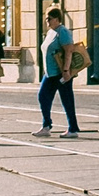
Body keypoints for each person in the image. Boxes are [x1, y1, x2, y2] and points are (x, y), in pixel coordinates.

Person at [34, 8, 82, 137]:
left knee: (67, 100)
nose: (47, 21)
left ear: (56, 19)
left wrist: (66, 70)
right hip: (49, 73)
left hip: (61, 72)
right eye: (46, 19)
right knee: (43, 96)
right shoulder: (51, 32)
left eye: (49, 18)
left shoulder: (63, 32)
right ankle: (46, 126)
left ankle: (72, 129)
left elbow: (69, 51)